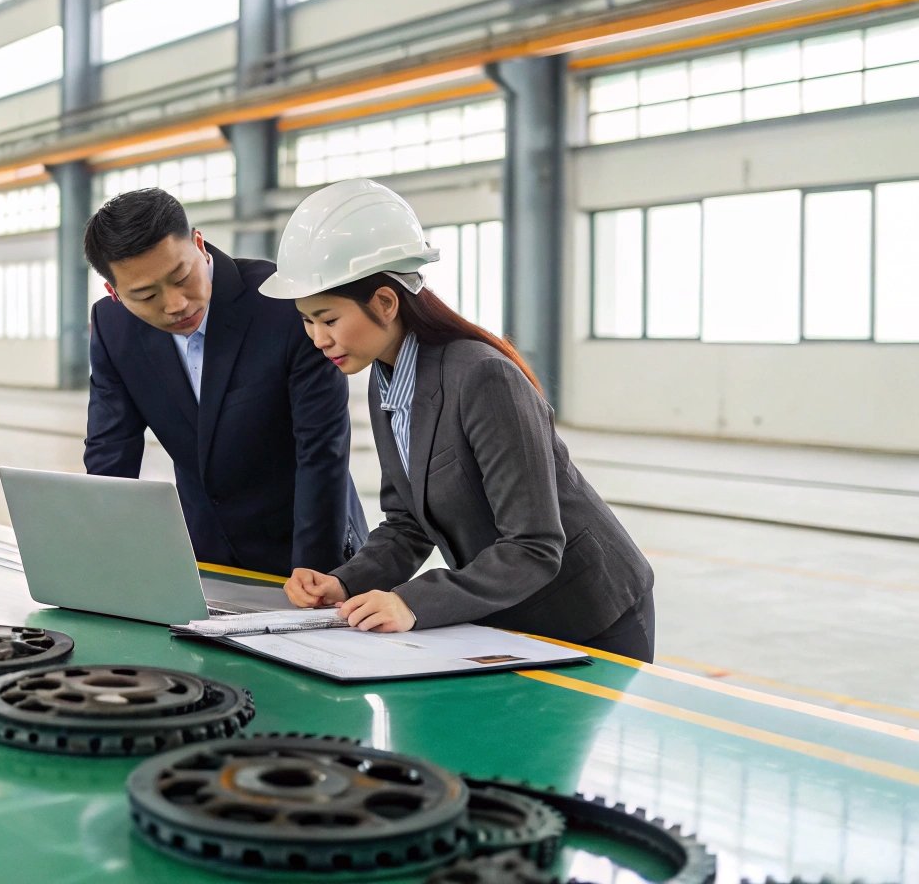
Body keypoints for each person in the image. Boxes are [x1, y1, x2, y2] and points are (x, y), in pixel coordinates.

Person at [261, 179, 656, 661]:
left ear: (385, 302)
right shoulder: (384, 380)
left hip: (589, 615)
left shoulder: (482, 378)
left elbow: (534, 544)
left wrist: (411, 602)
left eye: (328, 319)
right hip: (508, 617)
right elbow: (408, 523)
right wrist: (344, 582)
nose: (317, 338)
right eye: (307, 320)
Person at [83, 187, 366, 578]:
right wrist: (100, 559)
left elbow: (321, 452)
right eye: (146, 295)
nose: (175, 304)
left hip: (309, 545)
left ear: (199, 245)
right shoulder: (113, 328)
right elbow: (109, 453)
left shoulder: (283, 302)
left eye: (182, 276)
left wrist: (315, 571)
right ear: (114, 293)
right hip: (205, 556)